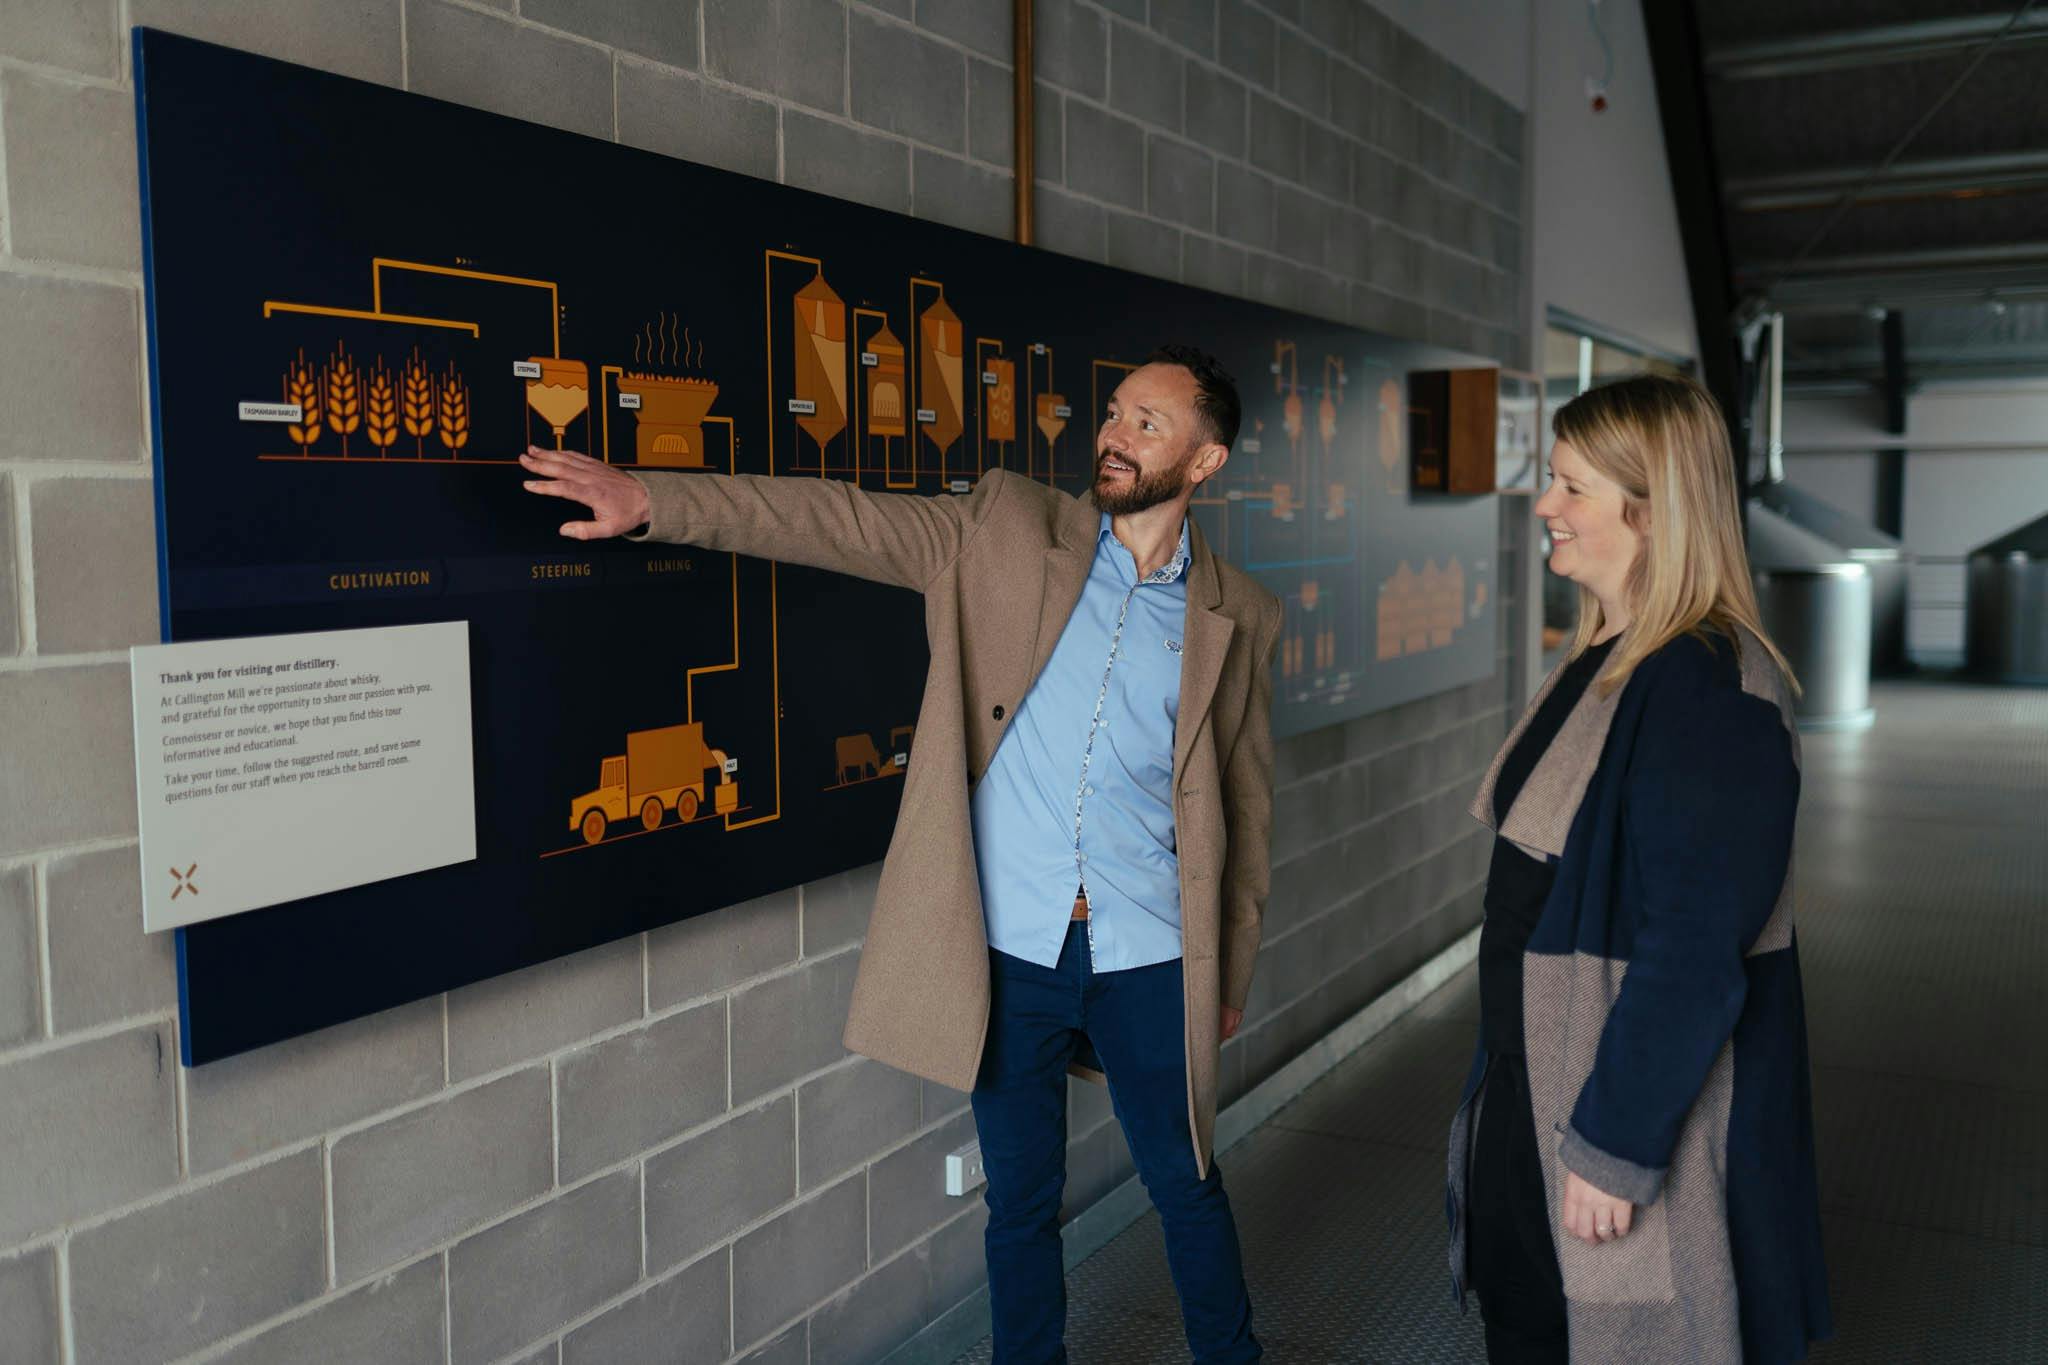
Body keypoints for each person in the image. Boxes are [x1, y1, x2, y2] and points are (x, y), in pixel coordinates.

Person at [524, 344, 1280, 1363]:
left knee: (1185, 1184)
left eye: (1146, 423)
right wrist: (653, 499)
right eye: (1112, 413)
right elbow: (837, 518)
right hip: (1009, 950)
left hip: (1149, 952)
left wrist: (1226, 965)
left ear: (1202, 463)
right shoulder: (1005, 530)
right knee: (1020, 1207)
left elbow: (1246, 808)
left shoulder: (1236, 615)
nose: (1111, 434)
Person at [1446, 374, 1833, 1363]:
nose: (1544, 506)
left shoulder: (1707, 691)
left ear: (1652, 511)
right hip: (1529, 1084)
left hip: (1605, 1110)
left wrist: (1614, 1148)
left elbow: (1695, 951)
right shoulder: (1607, 657)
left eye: (1571, 487)